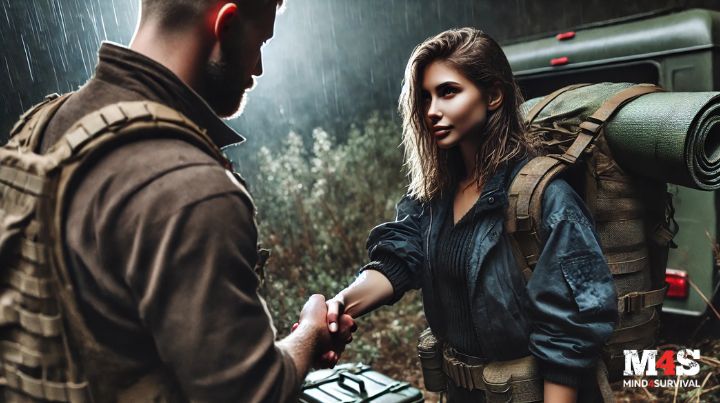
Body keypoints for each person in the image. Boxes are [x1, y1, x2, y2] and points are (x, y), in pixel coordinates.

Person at [13, 0, 354, 401]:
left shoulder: (38, 127)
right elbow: (251, 396)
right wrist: (310, 337)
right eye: (259, 43)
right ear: (225, 27)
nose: (258, 67)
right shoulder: (193, 190)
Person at [326, 28, 618, 402]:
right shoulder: (435, 197)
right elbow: (398, 259)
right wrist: (339, 305)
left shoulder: (545, 198)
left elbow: (569, 334)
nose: (432, 111)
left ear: (493, 95)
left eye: (448, 92)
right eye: (425, 97)